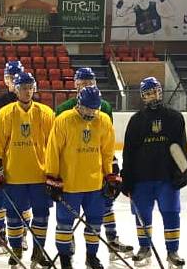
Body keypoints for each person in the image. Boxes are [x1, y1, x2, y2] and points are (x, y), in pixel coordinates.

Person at [122, 76, 187, 269]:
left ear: (160, 92)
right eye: (147, 93)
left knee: (171, 213)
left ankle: (172, 251)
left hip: (167, 178)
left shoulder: (174, 118)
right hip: (141, 179)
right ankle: (144, 248)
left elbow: (181, 148)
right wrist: (126, 177)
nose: (152, 96)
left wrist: (182, 173)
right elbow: (128, 151)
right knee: (142, 215)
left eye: (154, 91)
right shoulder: (136, 120)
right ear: (142, 96)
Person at [54, 67, 130, 253]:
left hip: (99, 163)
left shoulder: (104, 107)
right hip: (74, 168)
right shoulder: (64, 110)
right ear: (75, 85)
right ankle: (69, 240)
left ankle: (112, 238)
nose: (85, 86)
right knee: (70, 209)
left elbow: (107, 140)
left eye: (89, 83)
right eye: (81, 84)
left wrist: (111, 166)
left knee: (106, 201)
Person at [45, 85, 116, 269]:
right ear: (79, 104)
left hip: (95, 184)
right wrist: (52, 178)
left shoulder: (104, 121)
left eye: (94, 109)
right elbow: (53, 151)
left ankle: (91, 256)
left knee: (94, 223)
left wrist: (110, 175)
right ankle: (65, 257)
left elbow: (107, 152)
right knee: (64, 224)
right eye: (87, 109)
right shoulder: (64, 120)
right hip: (69, 184)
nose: (91, 113)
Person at [0, 71, 55, 269]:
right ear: (16, 90)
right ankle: (16, 249)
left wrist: (54, 172)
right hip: (14, 174)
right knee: (13, 214)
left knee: (41, 214)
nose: (27, 92)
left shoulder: (46, 112)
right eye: (23, 88)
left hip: (39, 174)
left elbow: (52, 145)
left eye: (30, 88)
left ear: (34, 89)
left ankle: (39, 250)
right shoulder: (5, 112)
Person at [0, 60, 26, 254]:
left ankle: (22, 234)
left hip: (23, 158)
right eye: (11, 76)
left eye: (17, 75)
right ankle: (0, 233)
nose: (14, 80)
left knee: (22, 199)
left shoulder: (32, 102)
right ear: (5, 79)